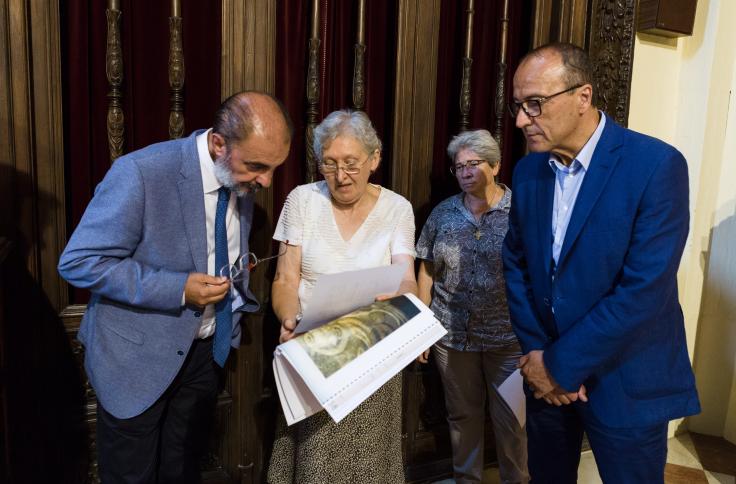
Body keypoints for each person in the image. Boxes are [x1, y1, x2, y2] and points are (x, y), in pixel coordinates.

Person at [58, 91, 292, 483]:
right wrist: (178, 288)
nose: (266, 181)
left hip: (204, 357)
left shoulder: (238, 176)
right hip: (136, 363)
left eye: (273, 168)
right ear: (219, 144)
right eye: (257, 166)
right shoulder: (141, 173)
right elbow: (80, 262)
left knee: (182, 472)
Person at [502, 42, 700, 483]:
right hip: (545, 378)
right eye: (517, 105)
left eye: (534, 104)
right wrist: (539, 358)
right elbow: (516, 263)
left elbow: (643, 290)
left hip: (625, 378)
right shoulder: (528, 171)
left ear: (583, 96)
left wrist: (560, 365)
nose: (520, 120)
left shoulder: (656, 165)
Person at [267, 109, 417, 483]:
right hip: (316, 348)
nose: (340, 176)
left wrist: (403, 305)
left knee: (370, 463)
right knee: (317, 459)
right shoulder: (302, 200)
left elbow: (407, 281)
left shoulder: (398, 209)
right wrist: (290, 320)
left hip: (374, 351)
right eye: (329, 164)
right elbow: (286, 278)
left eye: (351, 163)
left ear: (374, 159)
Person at [416, 129, 529, 484]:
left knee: (512, 420)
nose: (465, 172)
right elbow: (427, 268)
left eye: (473, 164)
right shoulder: (443, 214)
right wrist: (421, 327)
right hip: (452, 337)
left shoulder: (521, 212)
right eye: (458, 166)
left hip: (507, 339)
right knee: (462, 418)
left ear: (495, 165)